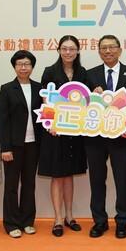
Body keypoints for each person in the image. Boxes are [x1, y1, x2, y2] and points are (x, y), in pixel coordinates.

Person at [85, 35, 126, 239]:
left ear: (119, 50)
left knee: (122, 180)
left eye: (111, 47)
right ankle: (99, 221)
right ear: (99, 52)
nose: (107, 51)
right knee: (97, 180)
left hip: (122, 137)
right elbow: (82, 106)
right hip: (95, 139)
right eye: (103, 48)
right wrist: (92, 95)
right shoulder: (89, 75)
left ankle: (122, 221)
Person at [38, 35, 88, 237]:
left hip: (75, 133)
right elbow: (45, 99)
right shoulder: (50, 72)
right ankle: (57, 219)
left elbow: (88, 100)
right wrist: (51, 123)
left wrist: (98, 91)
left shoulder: (83, 73)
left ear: (78, 51)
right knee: (57, 175)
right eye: (64, 49)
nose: (68, 52)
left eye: (72, 49)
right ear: (58, 50)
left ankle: (69, 215)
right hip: (55, 132)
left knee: (69, 174)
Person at [0, 50, 43, 238]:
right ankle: (11, 223)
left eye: (27, 64)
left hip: (34, 144)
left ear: (32, 66)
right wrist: (5, 148)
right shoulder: (7, 88)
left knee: (29, 183)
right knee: (11, 185)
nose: (23, 67)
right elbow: (3, 120)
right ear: (14, 67)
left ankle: (27, 221)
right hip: (14, 146)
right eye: (19, 64)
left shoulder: (40, 88)